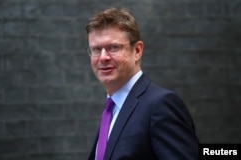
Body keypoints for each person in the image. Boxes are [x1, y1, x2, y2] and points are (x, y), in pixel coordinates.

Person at [85, 7, 199, 160]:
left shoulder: (160, 105)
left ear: (137, 51)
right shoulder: (111, 110)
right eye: (96, 49)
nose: (103, 57)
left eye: (113, 47)